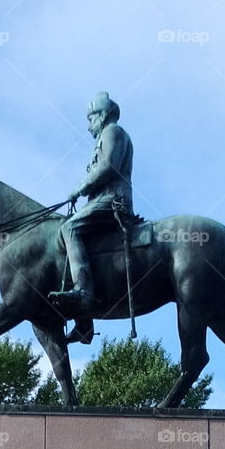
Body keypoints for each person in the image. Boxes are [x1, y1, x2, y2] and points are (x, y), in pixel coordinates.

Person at [50, 92, 133, 345]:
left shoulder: (112, 132)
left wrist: (80, 188)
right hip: (102, 200)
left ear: (103, 115)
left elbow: (108, 167)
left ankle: (83, 293)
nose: (88, 126)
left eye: (90, 119)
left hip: (112, 200)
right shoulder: (106, 136)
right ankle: (83, 323)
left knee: (70, 229)